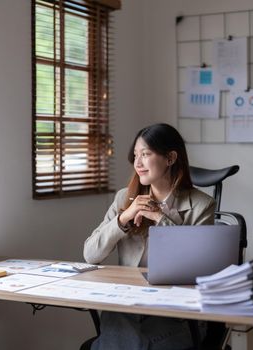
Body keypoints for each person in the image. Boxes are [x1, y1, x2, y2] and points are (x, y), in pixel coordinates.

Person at [83, 123, 216, 350]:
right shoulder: (124, 198)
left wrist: (159, 217)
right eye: (135, 155)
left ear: (171, 158)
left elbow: (198, 267)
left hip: (175, 314)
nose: (137, 163)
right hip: (127, 307)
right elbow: (90, 254)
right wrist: (123, 219)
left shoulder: (202, 205)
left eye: (145, 154)